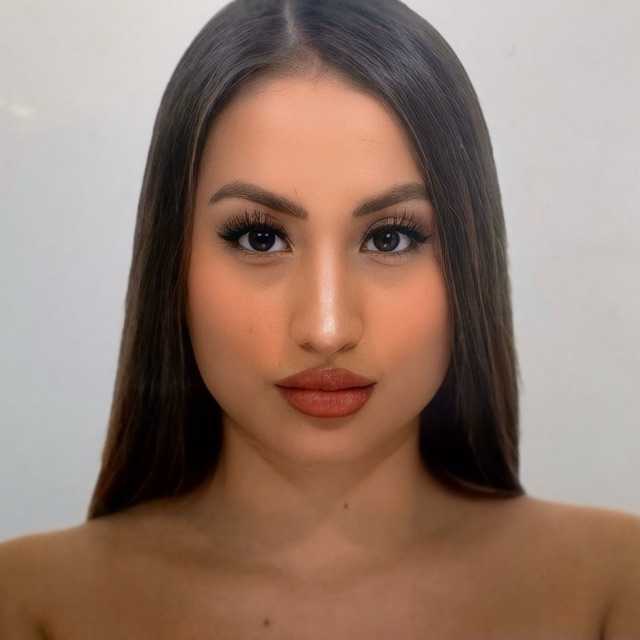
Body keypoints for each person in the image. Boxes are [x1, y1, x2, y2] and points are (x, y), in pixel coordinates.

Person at [1, 0, 639, 637]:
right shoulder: (26, 605)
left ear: (469, 260)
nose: (326, 328)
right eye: (259, 238)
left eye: (390, 238)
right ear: (173, 259)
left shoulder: (617, 588)